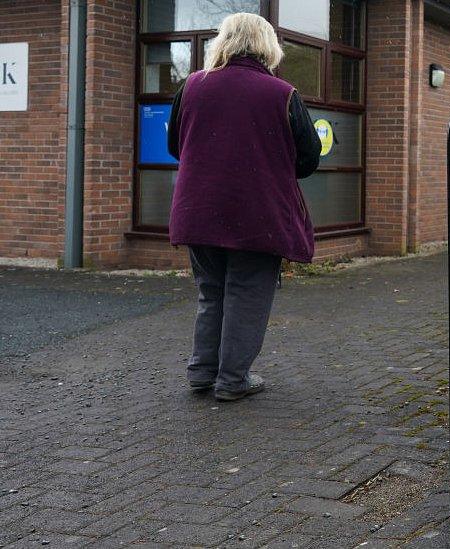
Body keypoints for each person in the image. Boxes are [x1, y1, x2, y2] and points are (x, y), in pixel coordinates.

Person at [166, 12, 320, 401]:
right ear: (268, 46)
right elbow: (309, 156)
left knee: (211, 291)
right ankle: (233, 380)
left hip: (197, 210)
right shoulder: (282, 93)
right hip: (259, 214)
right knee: (246, 293)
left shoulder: (190, 87)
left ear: (223, 42)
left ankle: (202, 372)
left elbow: (175, 146)